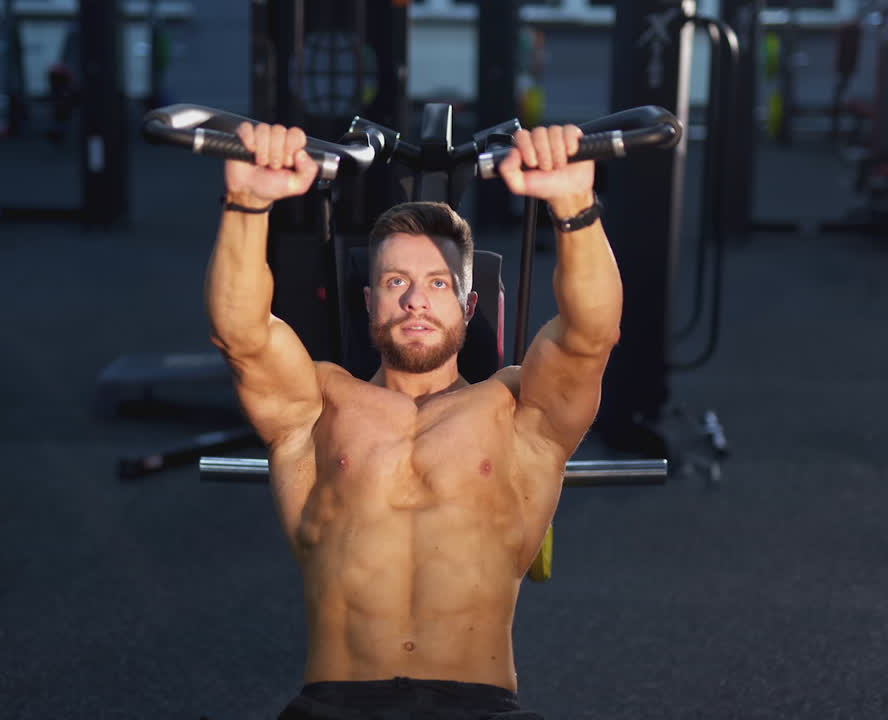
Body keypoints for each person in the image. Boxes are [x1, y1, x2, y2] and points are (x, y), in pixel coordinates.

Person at [208, 120, 621, 719]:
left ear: (468, 304)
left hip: (477, 707)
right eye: (396, 281)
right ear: (368, 300)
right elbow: (241, 336)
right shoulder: (320, 404)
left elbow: (591, 338)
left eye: (437, 284)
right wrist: (247, 202)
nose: (415, 301)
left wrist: (574, 207)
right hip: (336, 705)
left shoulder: (514, 413)